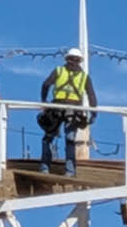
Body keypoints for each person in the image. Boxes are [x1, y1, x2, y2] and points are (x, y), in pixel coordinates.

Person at [38, 47, 98, 177]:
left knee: (49, 137)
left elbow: (46, 85)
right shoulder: (84, 76)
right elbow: (91, 96)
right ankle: (69, 171)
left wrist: (44, 101)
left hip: (58, 107)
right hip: (72, 109)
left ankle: (45, 168)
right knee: (68, 139)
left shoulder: (59, 71)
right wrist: (93, 114)